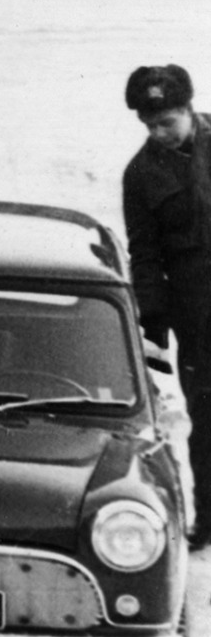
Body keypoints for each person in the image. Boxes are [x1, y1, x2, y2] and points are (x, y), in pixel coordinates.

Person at [120, 63, 211, 539]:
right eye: (149, 125)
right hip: (198, 314)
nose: (159, 133)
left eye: (167, 122)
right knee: (209, 417)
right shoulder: (140, 174)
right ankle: (209, 519)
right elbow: (145, 251)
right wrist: (152, 316)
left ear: (188, 110)